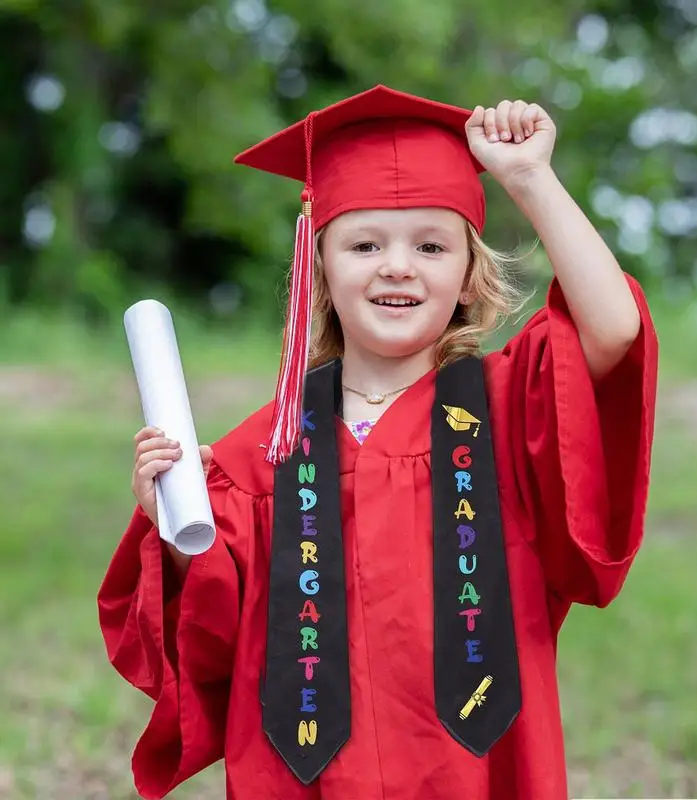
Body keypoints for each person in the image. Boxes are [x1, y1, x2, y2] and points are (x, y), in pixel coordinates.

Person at [99, 84, 657, 800]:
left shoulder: (506, 411)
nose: (397, 265)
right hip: (312, 774)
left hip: (473, 770)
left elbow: (611, 330)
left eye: (431, 244)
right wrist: (172, 521)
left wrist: (530, 179)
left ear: (466, 276)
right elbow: (214, 623)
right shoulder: (263, 453)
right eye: (365, 244)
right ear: (320, 268)